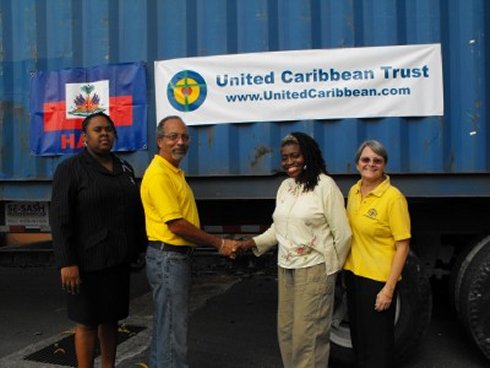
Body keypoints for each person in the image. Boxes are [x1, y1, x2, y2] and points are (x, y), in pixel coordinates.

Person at [237, 132, 352, 368]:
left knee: (307, 340)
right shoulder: (285, 187)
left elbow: (343, 234)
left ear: (307, 155)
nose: (289, 162)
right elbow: (278, 229)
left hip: (315, 270)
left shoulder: (324, 186)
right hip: (286, 268)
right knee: (287, 334)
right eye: (285, 157)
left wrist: (332, 271)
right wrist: (249, 244)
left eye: (295, 156)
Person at [50, 112, 147, 368]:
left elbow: (135, 210)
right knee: (87, 322)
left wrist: (138, 247)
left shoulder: (124, 168)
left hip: (117, 260)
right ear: (84, 137)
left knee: (111, 319)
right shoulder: (70, 169)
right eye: (97, 129)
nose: (104, 133)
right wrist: (66, 262)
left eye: (109, 129)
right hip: (85, 263)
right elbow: (60, 220)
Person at [140, 115, 238, 368]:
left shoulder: (172, 171)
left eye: (184, 136)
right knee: (174, 329)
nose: (180, 142)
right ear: (159, 141)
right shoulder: (160, 174)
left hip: (171, 259)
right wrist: (218, 243)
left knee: (167, 325)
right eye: (173, 136)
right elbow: (177, 225)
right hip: (168, 260)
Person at [343, 140, 411, 368]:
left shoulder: (393, 198)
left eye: (377, 160)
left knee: (378, 346)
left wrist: (388, 290)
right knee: (359, 341)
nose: (370, 164)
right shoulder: (353, 191)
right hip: (353, 276)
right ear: (357, 164)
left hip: (378, 282)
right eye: (365, 159)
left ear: (384, 165)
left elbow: (403, 246)